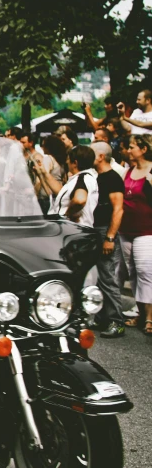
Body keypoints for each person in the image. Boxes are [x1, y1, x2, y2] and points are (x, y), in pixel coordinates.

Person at [89, 142, 126, 338]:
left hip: (105, 232)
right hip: (96, 230)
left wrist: (110, 237)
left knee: (108, 276)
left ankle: (116, 321)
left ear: (101, 156)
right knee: (99, 277)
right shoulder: (97, 177)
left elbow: (118, 209)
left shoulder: (112, 179)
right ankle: (103, 316)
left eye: (92, 152)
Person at [118, 134, 152, 335]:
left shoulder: (150, 171)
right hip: (126, 229)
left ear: (143, 149)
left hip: (146, 229)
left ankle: (150, 317)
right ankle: (140, 311)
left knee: (145, 271)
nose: (128, 150)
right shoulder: (127, 171)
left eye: (132, 147)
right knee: (133, 272)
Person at [49, 146, 99, 226]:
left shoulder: (81, 178)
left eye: (68, 159)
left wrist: (67, 215)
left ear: (75, 163)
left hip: (74, 229)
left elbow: (79, 200)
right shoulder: (89, 177)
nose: (66, 162)